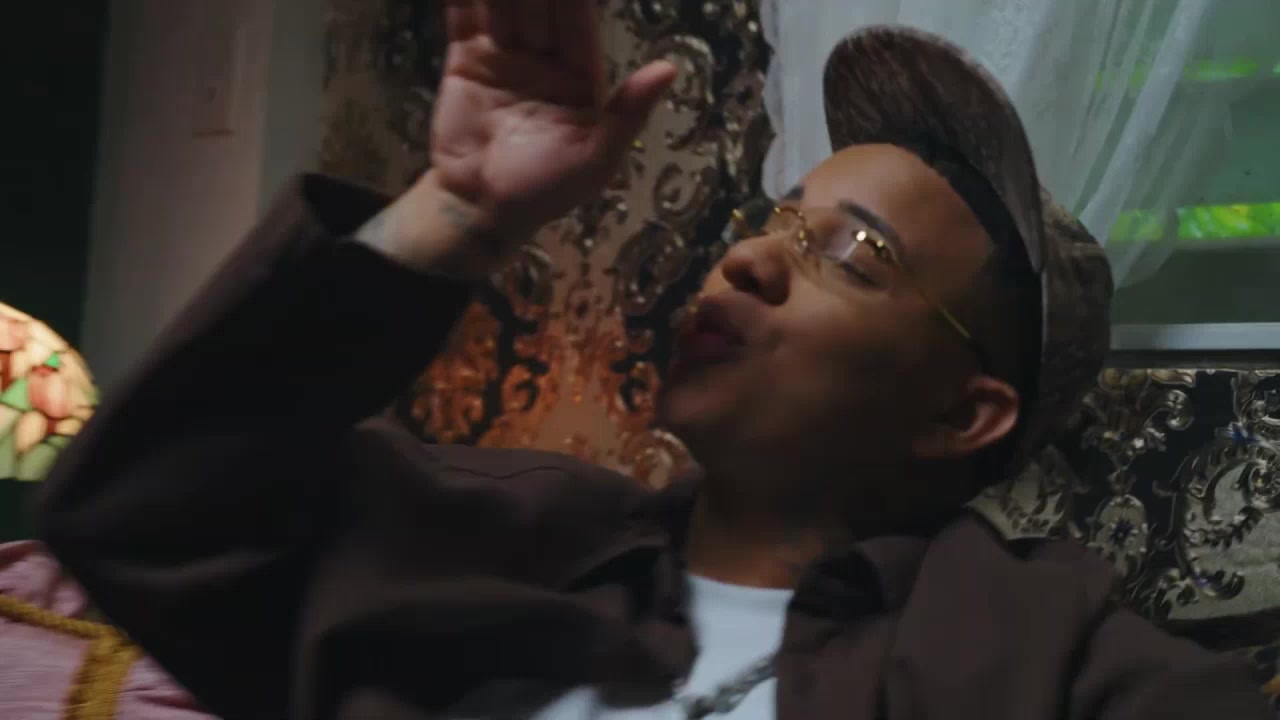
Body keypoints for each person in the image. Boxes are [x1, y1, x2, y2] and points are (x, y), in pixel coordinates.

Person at [38, 2, 1270, 719]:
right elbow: (138, 517)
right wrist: (455, 213)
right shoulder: (496, 532)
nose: (750, 259)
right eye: (775, 219)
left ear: (962, 414)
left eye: (852, 253)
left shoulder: (1039, 653)